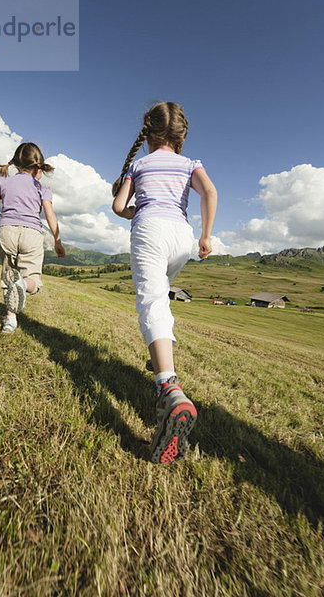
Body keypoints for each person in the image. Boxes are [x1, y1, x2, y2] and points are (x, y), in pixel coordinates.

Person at [112, 101, 217, 464]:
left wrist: (135, 210)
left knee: (153, 302)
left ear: (148, 132)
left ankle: (168, 388)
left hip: (151, 230)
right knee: (162, 300)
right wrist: (205, 236)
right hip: (182, 237)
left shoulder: (139, 164)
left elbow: (118, 207)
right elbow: (210, 193)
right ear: (180, 135)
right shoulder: (191, 164)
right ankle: (159, 359)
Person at [0, 142, 65, 333]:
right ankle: (23, 284)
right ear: (38, 167)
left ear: (17, 164)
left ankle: (10, 321)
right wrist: (57, 241)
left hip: (6, 231)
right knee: (33, 281)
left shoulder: (2, 181)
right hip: (32, 234)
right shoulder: (43, 188)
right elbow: (50, 216)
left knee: (8, 276)